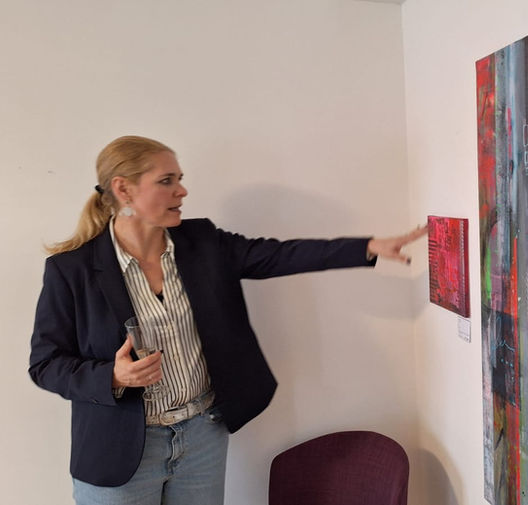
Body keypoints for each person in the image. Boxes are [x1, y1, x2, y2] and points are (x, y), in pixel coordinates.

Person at [28, 135, 426, 505]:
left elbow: (279, 256)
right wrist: (112, 377)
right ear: (123, 189)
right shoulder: (72, 270)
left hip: (201, 439)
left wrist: (368, 247)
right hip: (118, 451)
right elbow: (45, 364)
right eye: (166, 181)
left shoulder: (202, 241)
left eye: (180, 179)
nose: (182, 191)